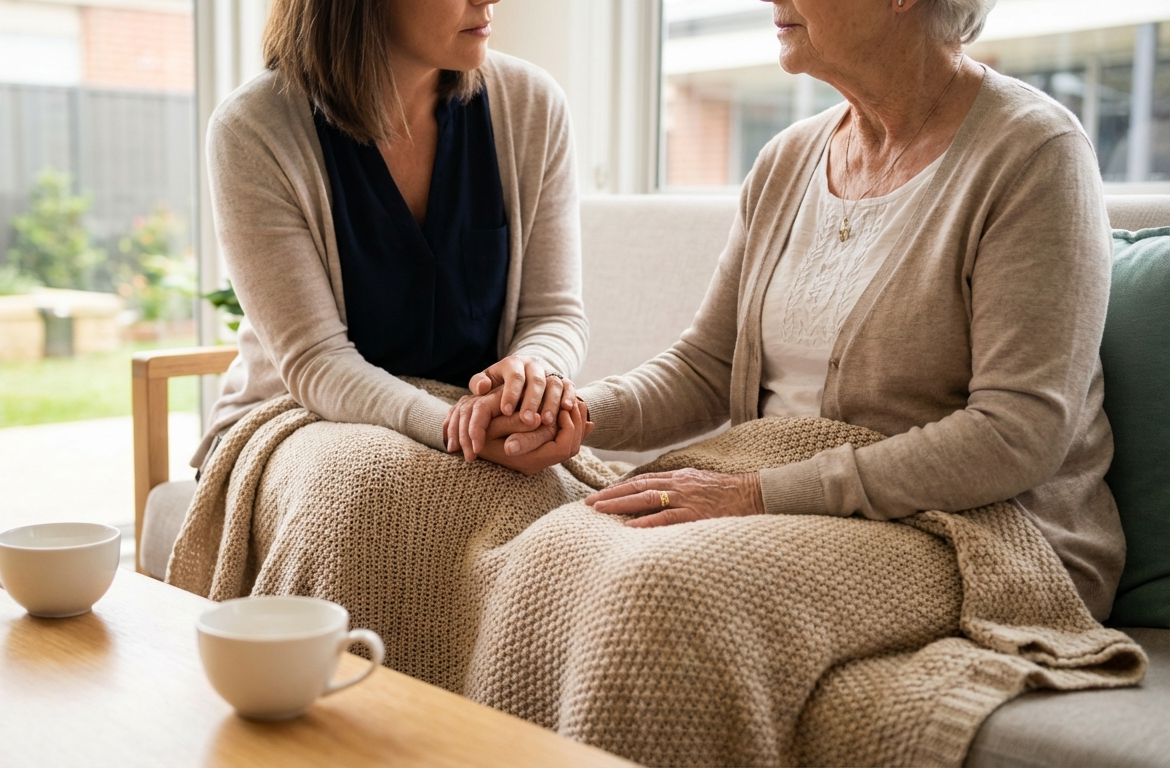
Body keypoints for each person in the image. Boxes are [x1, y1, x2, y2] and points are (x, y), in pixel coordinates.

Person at [453, 0, 1124, 619]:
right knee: (549, 554)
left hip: (977, 529)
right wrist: (569, 413)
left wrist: (757, 494)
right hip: (790, 502)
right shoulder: (789, 158)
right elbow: (708, 366)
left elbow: (1017, 433)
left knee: (658, 587)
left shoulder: (1034, 154)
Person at [195, 0, 592, 476]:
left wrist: (532, 378)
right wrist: (454, 427)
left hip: (476, 427)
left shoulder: (532, 105)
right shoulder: (252, 129)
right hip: (295, 421)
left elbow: (554, 314)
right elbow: (317, 362)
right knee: (373, 489)